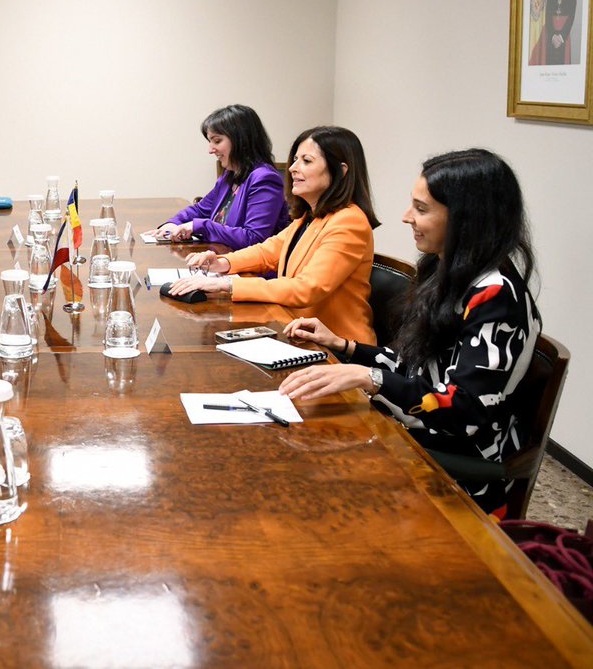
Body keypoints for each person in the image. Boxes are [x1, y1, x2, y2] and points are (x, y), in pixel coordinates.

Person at [278, 150, 541, 518]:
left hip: (455, 467)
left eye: (421, 208)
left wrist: (369, 378)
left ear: (467, 219)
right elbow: (415, 366)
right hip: (410, 434)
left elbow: (464, 409)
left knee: (305, 481)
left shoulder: (496, 295)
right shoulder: (448, 271)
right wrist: (344, 346)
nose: (406, 217)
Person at [170, 126, 379, 344]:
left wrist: (228, 285)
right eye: (295, 160)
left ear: (341, 170)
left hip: (336, 348)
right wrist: (221, 263)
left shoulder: (349, 221)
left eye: (306, 161)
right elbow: (267, 252)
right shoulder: (311, 216)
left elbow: (307, 288)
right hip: (296, 331)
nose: (293, 168)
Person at [142, 105, 290, 249]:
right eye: (210, 141)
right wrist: (173, 223)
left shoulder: (265, 179)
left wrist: (200, 226)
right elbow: (200, 210)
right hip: (222, 261)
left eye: (217, 141)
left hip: (251, 271)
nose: (210, 150)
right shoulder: (230, 175)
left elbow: (254, 239)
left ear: (241, 140)